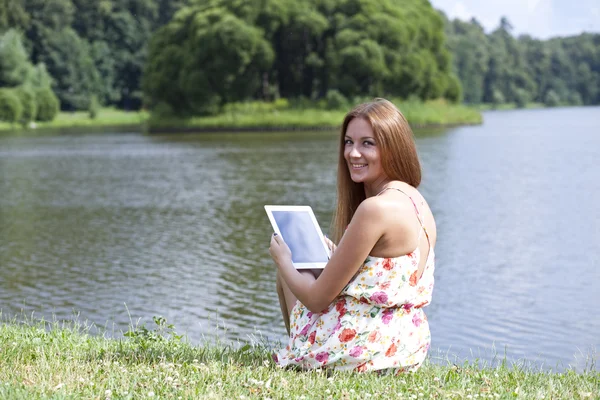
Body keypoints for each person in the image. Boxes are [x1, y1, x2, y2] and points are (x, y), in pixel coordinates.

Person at [269, 98, 437, 373]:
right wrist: (340, 253)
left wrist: (284, 260)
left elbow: (316, 299)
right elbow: (389, 277)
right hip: (408, 345)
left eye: (367, 143)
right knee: (314, 265)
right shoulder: (416, 200)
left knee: (293, 270)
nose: (353, 153)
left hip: (365, 350)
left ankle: (301, 353)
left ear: (393, 148)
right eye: (348, 142)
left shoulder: (374, 209)